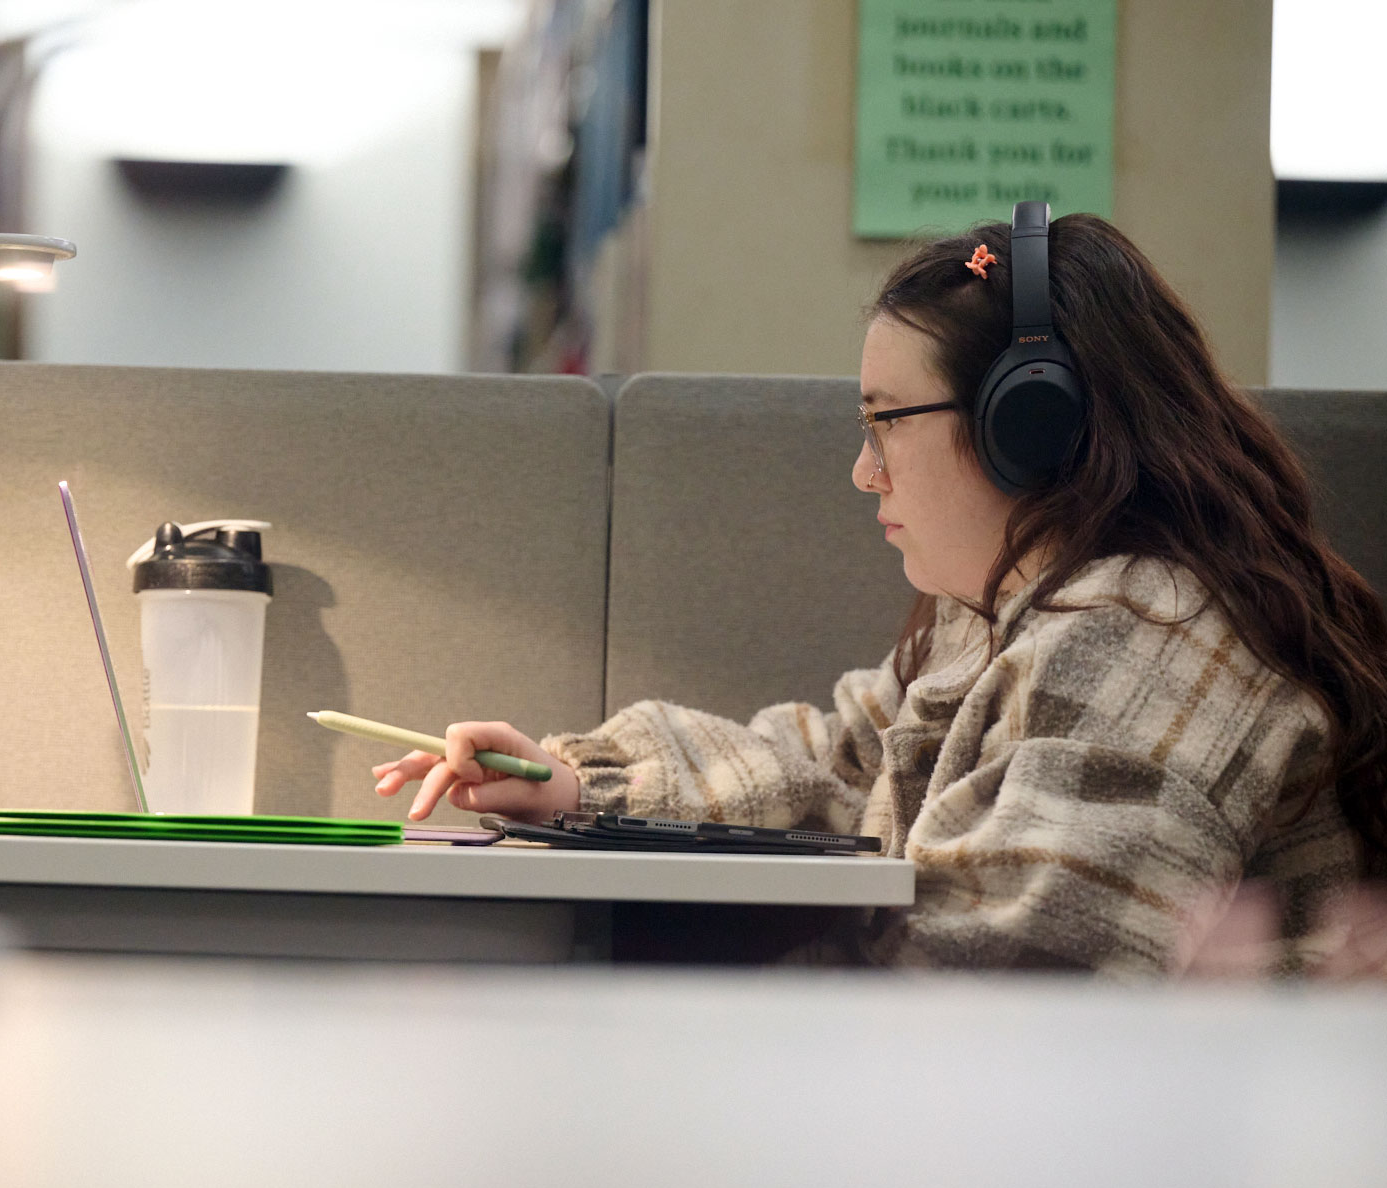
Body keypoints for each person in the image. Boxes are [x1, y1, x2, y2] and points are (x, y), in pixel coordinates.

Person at [372, 209, 1387, 977]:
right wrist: (572, 783)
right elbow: (835, 766)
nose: (865, 473)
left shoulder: (1145, 635)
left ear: (1028, 425)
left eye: (885, 422)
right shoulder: (1004, 620)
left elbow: (1010, 979)